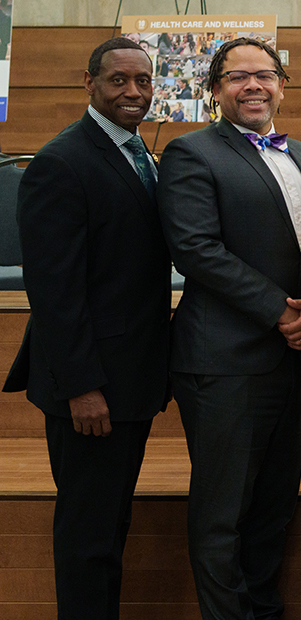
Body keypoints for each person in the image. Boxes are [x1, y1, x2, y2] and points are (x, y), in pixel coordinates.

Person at [0, 37, 171, 620]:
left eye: (142, 81)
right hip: (92, 386)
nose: (133, 92)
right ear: (89, 83)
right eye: (118, 80)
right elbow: (53, 292)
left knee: (110, 524)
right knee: (88, 537)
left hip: (131, 379)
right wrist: (81, 386)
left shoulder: (139, 152)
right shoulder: (60, 161)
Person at [156, 37, 301, 620]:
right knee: (223, 511)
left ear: (282, 84)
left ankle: (263, 611)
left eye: (265, 74)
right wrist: (283, 311)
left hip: (296, 361)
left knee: (274, 506)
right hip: (224, 361)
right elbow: (195, 249)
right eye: (237, 77)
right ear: (215, 89)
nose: (253, 85)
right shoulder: (191, 153)